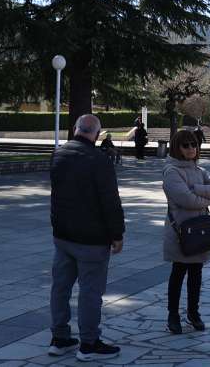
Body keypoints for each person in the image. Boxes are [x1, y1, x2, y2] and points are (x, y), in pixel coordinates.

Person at [48, 114, 125, 360]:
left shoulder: (59, 154)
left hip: (63, 235)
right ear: (97, 133)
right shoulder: (99, 160)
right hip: (92, 239)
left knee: (60, 288)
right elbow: (110, 201)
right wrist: (117, 234)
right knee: (90, 292)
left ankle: (59, 338)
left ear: (76, 129)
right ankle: (89, 343)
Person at [163, 128, 210, 334]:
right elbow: (185, 199)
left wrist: (196, 190)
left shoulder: (199, 170)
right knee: (178, 272)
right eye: (186, 145)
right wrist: (204, 197)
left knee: (196, 272)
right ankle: (173, 315)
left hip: (200, 230)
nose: (191, 149)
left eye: (194, 144)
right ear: (177, 147)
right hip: (181, 231)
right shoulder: (172, 171)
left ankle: (193, 312)